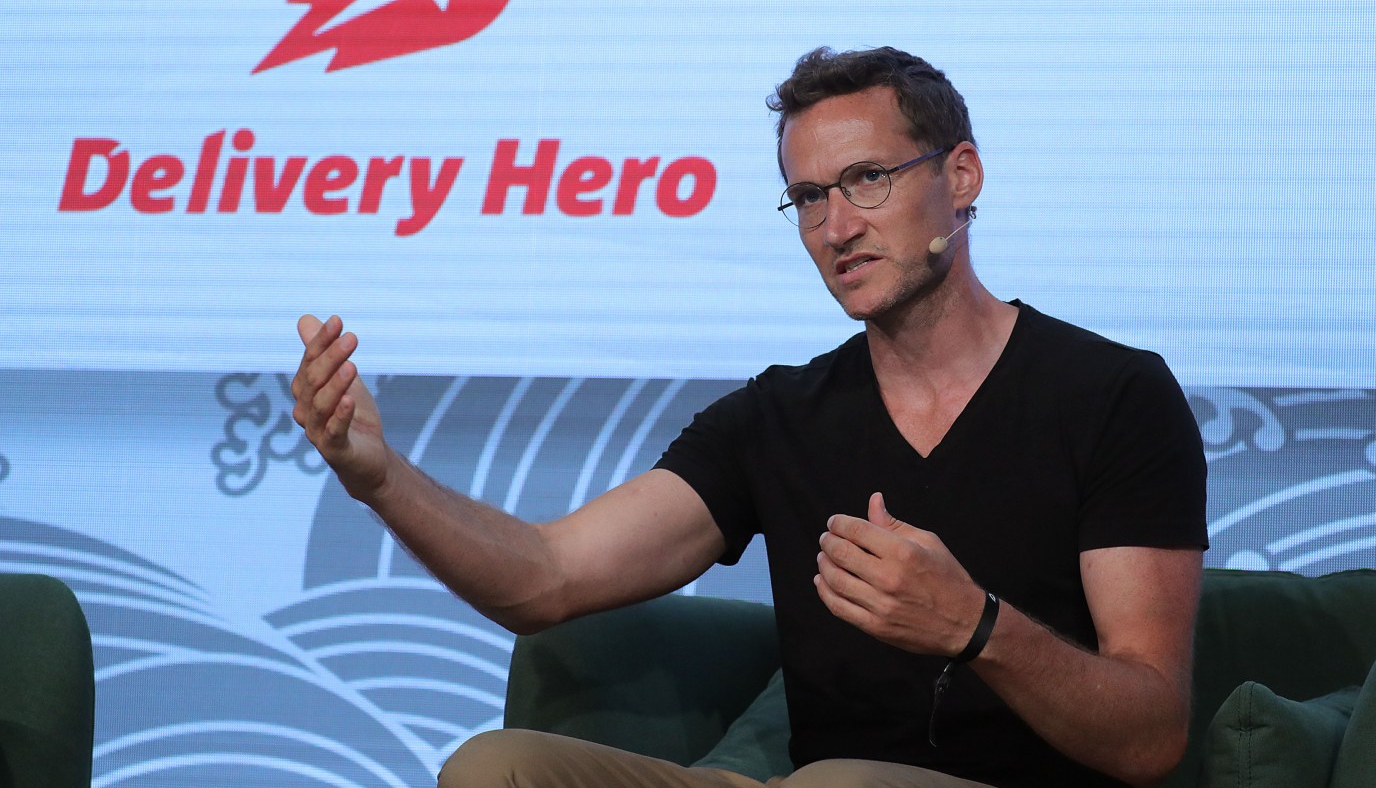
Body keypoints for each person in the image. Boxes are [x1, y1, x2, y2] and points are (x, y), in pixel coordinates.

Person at [291, 47, 1208, 788]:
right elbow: (544, 578)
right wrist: (380, 479)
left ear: (960, 176)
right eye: (808, 198)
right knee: (499, 768)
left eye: (867, 179)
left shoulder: (1113, 395)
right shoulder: (780, 416)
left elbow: (1149, 734)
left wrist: (975, 625)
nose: (836, 227)